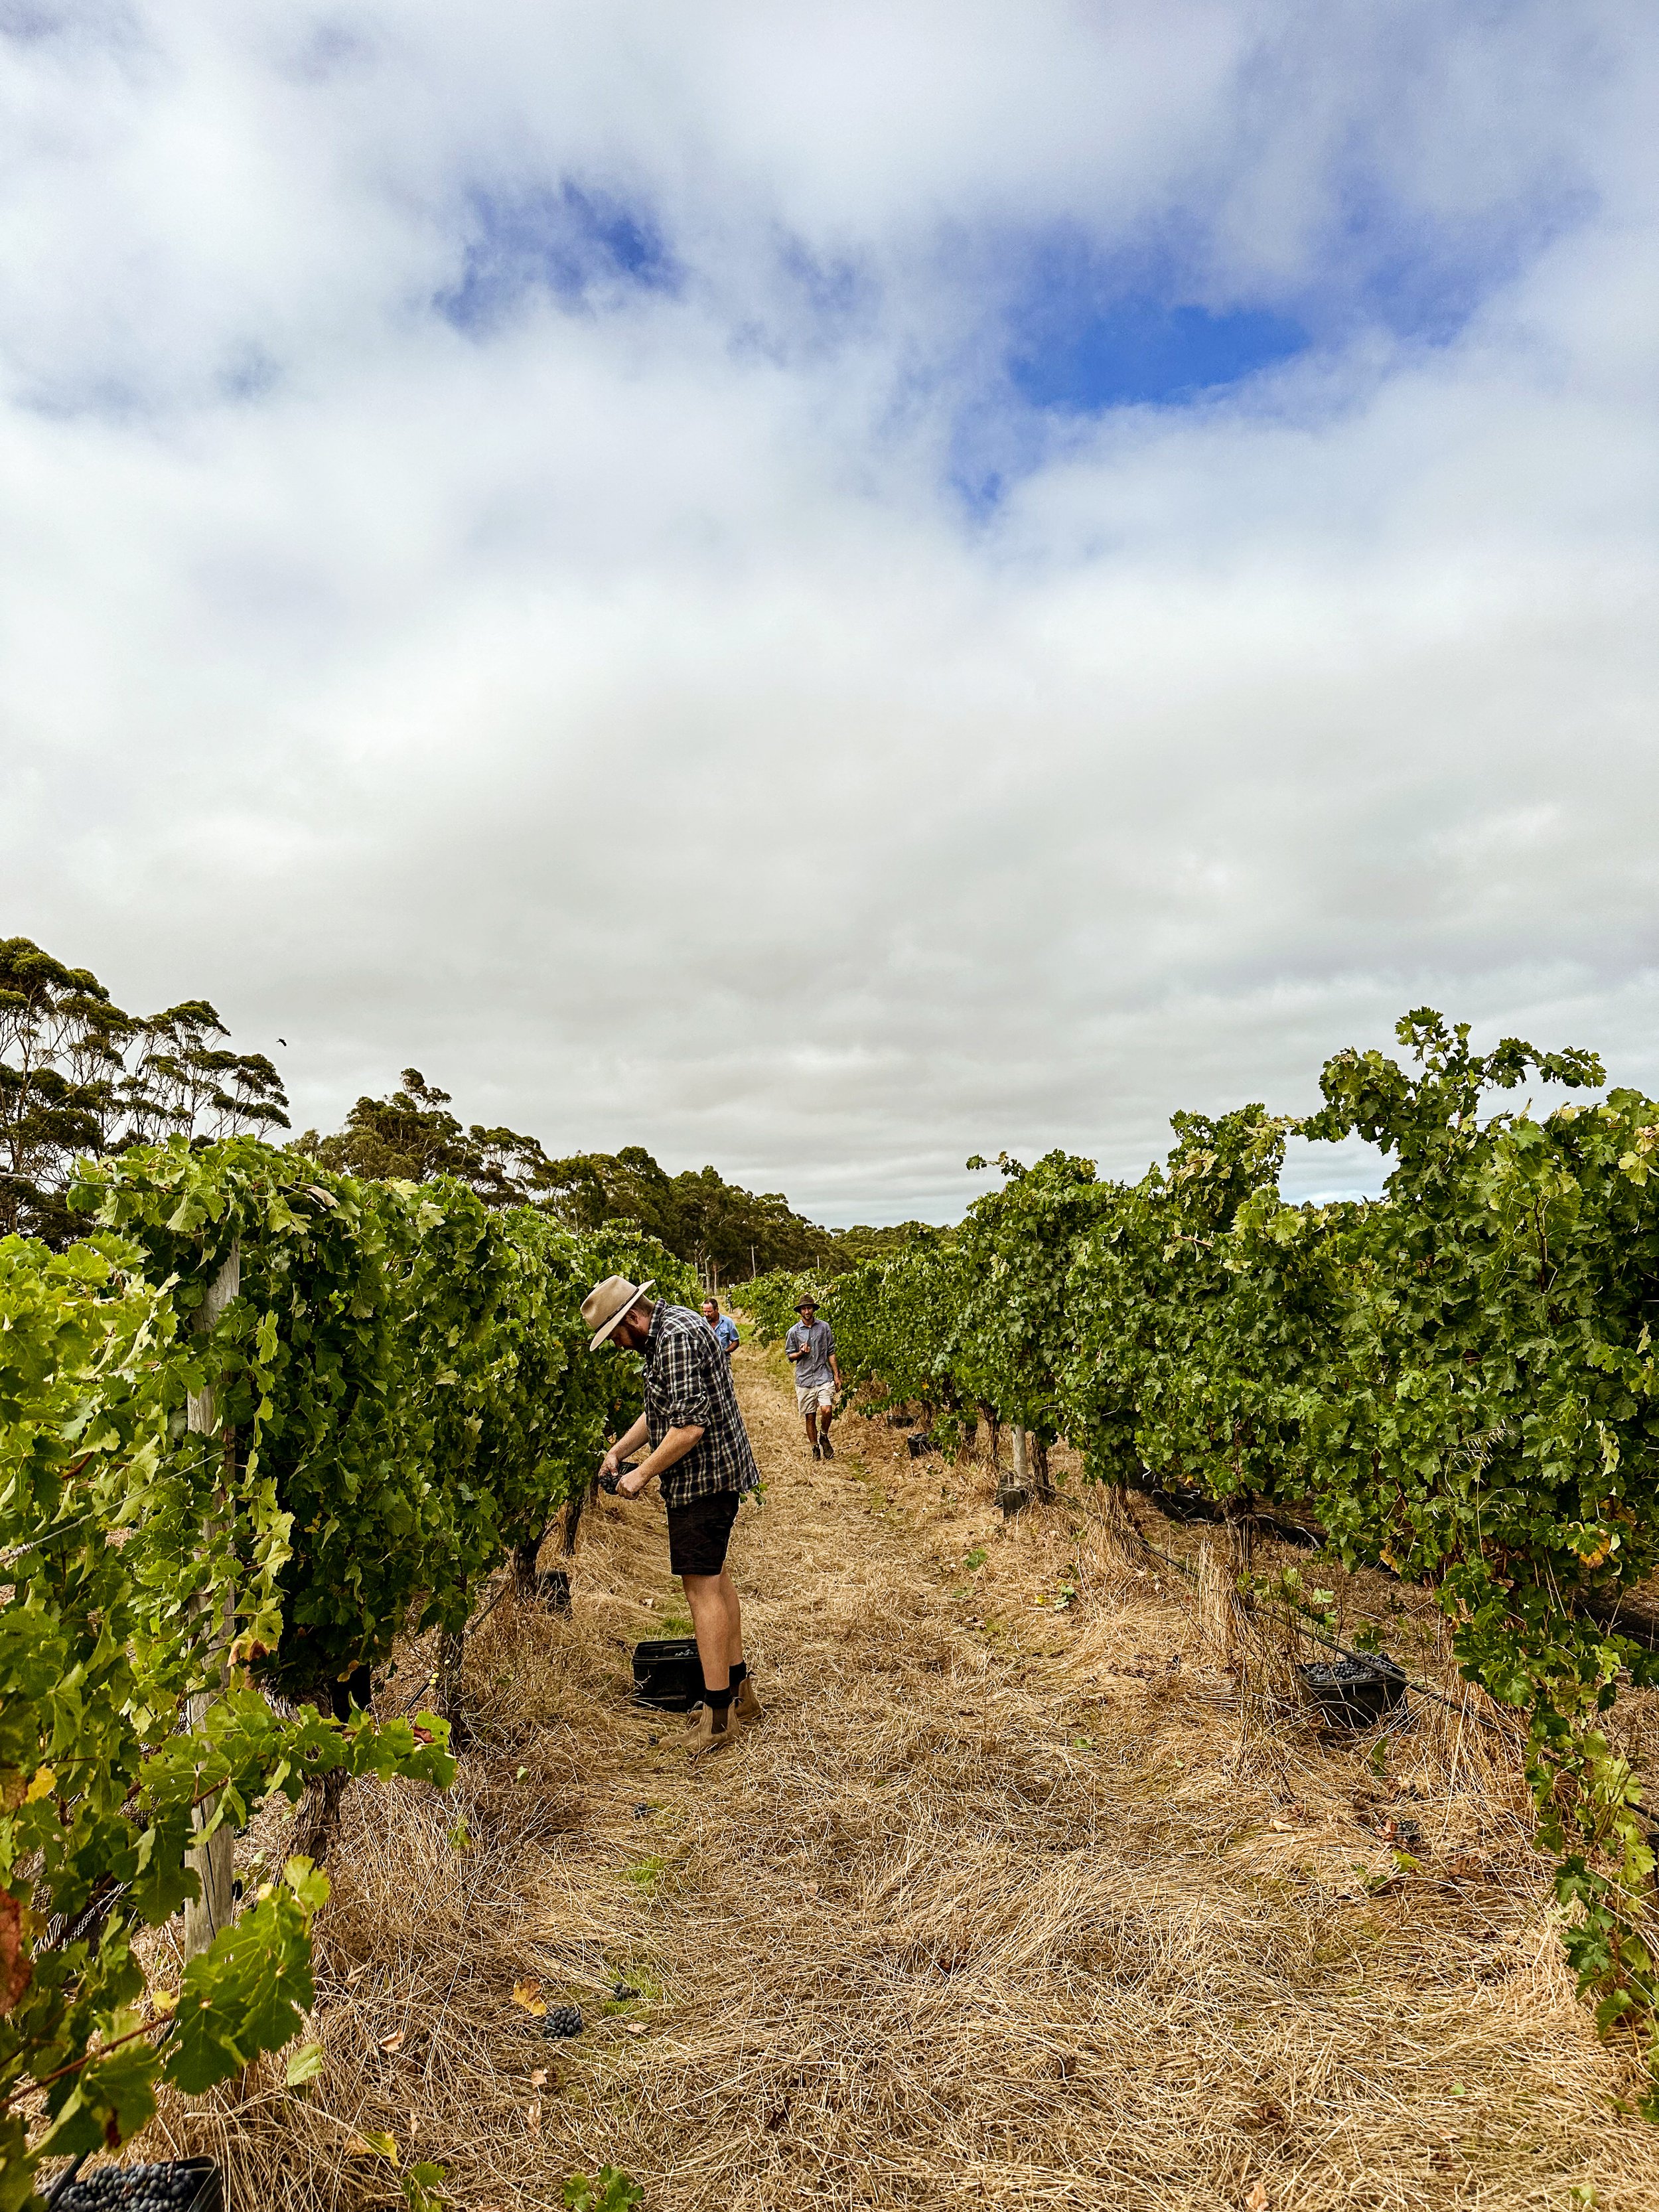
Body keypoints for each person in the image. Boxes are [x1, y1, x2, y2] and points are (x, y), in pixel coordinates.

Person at [582, 1274, 762, 1757]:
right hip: (709, 1478)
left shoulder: (676, 1337)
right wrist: (618, 1452)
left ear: (632, 1318)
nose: (619, 1346)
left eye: (617, 1335)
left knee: (701, 1590)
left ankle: (717, 1718)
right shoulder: (669, 1330)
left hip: (704, 1481)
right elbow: (660, 1413)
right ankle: (739, 1695)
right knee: (716, 1580)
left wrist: (639, 1478)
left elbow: (687, 1428)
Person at [784, 1293, 841, 1460]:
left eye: (809, 1308)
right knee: (810, 1415)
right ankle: (814, 1447)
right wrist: (801, 1353)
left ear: (813, 1310)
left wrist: (837, 1375)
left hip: (823, 1375)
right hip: (805, 1379)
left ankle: (824, 1435)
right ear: (800, 1312)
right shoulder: (793, 1332)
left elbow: (831, 1351)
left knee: (827, 1409)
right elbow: (790, 1356)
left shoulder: (824, 1328)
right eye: (804, 1309)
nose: (807, 1311)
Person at [701, 1295, 740, 1360]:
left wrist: (725, 1351)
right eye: (705, 1312)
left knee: (729, 1370)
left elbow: (736, 1341)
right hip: (706, 1361)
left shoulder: (728, 1322)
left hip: (724, 1360)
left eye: (709, 1312)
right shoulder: (701, 1323)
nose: (707, 1314)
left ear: (717, 1310)